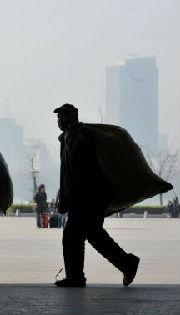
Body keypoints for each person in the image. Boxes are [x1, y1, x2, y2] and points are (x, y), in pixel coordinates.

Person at [54, 103, 139, 287]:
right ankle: (126, 264)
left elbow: (81, 170)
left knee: (73, 236)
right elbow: (68, 172)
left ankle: (76, 277)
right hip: (85, 198)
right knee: (92, 235)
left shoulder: (79, 136)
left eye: (62, 117)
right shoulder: (69, 137)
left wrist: (72, 197)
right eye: (58, 117)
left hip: (87, 198)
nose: (59, 121)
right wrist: (64, 195)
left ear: (71, 118)